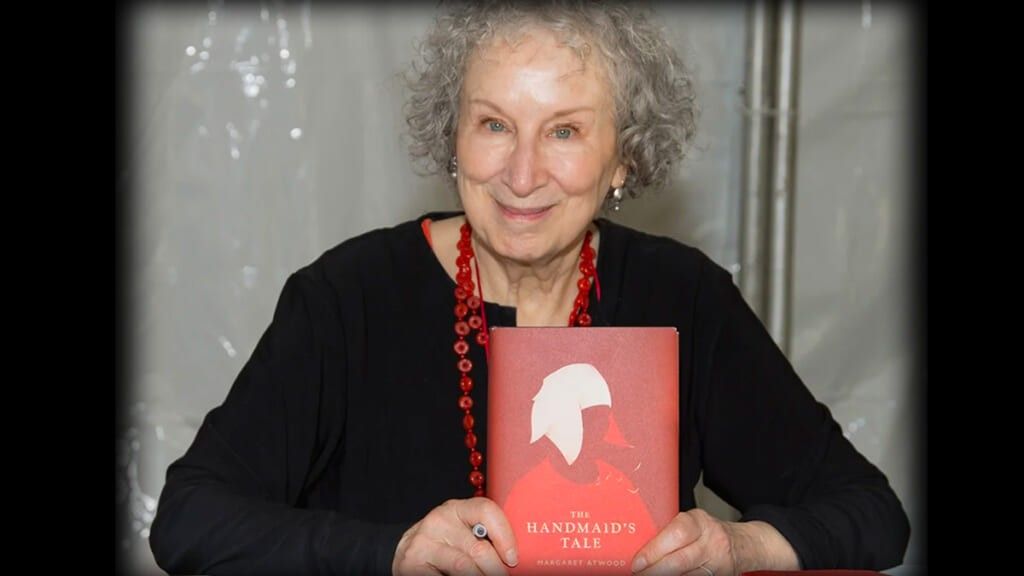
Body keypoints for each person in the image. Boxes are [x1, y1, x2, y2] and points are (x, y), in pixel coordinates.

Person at [149, 2, 910, 575]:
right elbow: (188, 517)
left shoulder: (683, 297)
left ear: (624, 161)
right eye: (493, 125)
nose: (521, 175)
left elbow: (871, 513)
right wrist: (392, 550)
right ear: (453, 137)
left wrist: (737, 545)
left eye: (566, 132)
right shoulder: (347, 297)